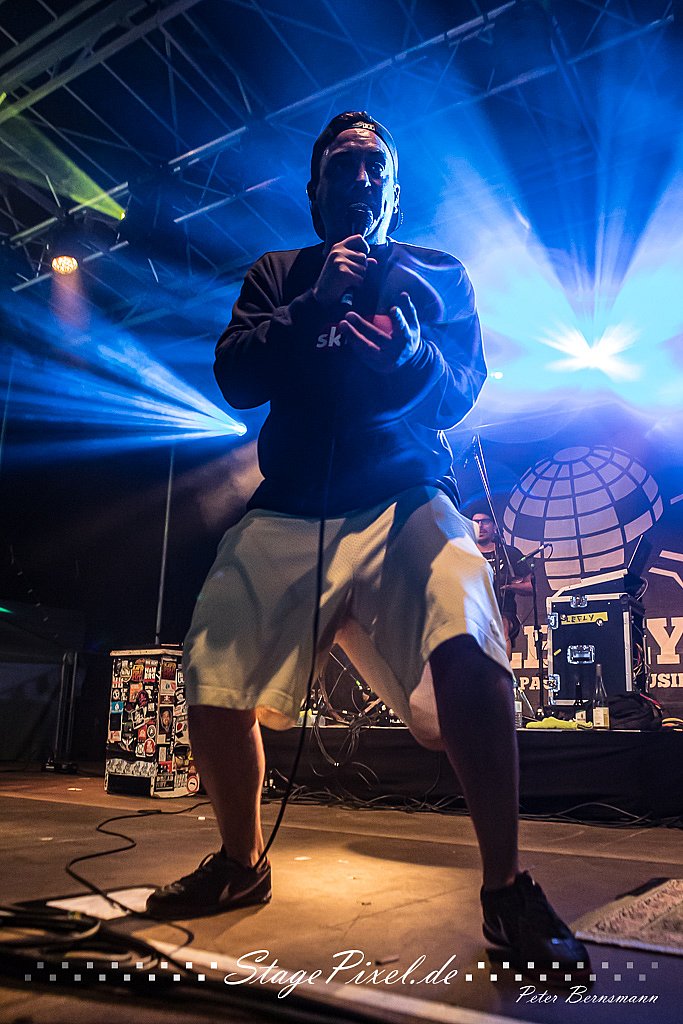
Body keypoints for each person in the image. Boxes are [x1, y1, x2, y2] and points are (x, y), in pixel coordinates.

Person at [146, 111, 588, 973]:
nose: (359, 178)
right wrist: (310, 306)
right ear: (315, 193)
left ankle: (505, 888)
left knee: (467, 635)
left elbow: (458, 388)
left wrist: (408, 358)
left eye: (373, 166)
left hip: (403, 495)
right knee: (210, 663)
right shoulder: (279, 273)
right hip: (289, 508)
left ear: (391, 190)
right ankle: (241, 863)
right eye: (342, 166)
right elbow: (235, 376)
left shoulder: (436, 273)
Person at [471, 509, 533, 660]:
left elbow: (530, 586)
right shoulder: (465, 552)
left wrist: (510, 586)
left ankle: (503, 671)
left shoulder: (508, 553)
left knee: (501, 625)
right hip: (473, 611)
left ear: (494, 526)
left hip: (504, 611)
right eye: (476, 522)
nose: (481, 526)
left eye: (485, 521)